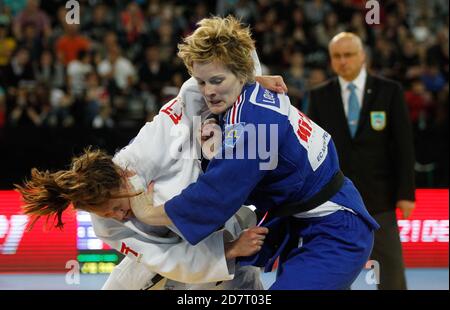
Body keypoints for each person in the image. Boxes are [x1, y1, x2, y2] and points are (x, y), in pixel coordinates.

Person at [129, 16, 379, 290]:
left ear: (241, 73)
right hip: (301, 220)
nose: (208, 92)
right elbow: (202, 89)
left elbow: (215, 196)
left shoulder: (254, 123)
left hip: (335, 229)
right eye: (201, 82)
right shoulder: (248, 94)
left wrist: (147, 213)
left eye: (216, 80)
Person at [16, 64, 286, 289]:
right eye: (107, 215)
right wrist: (227, 251)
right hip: (181, 259)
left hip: (219, 231)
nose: (118, 217)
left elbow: (189, 92)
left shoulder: (151, 147)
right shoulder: (106, 225)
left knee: (240, 284)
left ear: (120, 179)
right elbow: (164, 257)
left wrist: (250, 83)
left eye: (115, 208)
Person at [308, 32, 415, 290]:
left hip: (381, 198)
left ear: (363, 56)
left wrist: (406, 193)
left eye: (349, 55)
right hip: (336, 201)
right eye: (337, 56)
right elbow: (312, 149)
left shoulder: (389, 91)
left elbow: (404, 146)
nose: (343, 61)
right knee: (334, 274)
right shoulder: (320, 96)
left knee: (390, 275)